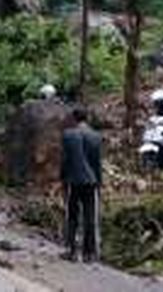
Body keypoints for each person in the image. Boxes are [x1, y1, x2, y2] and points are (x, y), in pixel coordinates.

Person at [60, 107, 102, 263]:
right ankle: (89, 254)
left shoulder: (68, 135)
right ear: (87, 118)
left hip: (73, 180)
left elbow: (65, 160)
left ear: (74, 118)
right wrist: (99, 182)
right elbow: (96, 162)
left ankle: (71, 250)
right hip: (91, 181)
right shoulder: (96, 136)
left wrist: (63, 178)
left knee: (72, 215)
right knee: (90, 216)